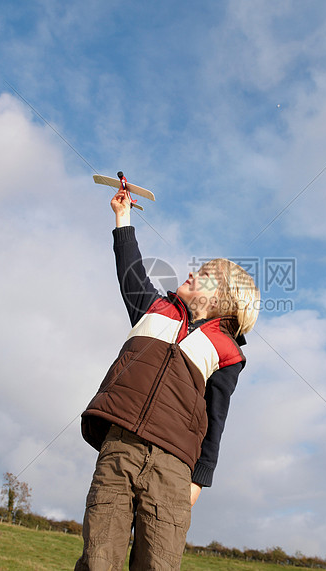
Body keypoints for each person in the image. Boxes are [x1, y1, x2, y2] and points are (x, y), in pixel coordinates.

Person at [74, 187, 260, 570]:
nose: (193, 272)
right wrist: (122, 218)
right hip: (120, 449)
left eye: (206, 274)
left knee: (158, 563)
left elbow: (215, 421)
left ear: (224, 300)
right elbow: (130, 267)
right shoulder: (152, 307)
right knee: (98, 559)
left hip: (174, 469)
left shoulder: (227, 353)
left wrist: (198, 480)